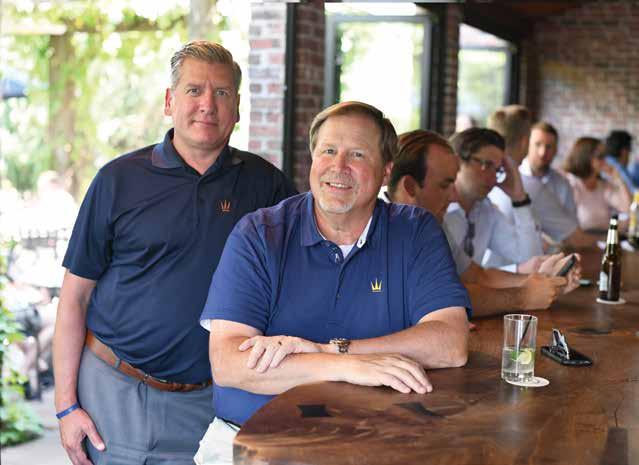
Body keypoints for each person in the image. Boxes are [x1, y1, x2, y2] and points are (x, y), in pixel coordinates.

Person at [53, 41, 295, 465]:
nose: (207, 105)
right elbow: (75, 296)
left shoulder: (267, 187)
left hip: (210, 402)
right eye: (194, 90)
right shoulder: (117, 180)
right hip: (112, 392)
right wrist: (66, 406)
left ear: (237, 108)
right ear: (170, 101)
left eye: (222, 93)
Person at [195, 102, 471, 464]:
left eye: (357, 154)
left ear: (386, 170)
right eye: (328, 151)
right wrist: (347, 366)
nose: (338, 167)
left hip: (376, 444)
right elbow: (229, 363)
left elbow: (451, 343)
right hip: (252, 445)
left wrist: (328, 350)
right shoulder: (260, 234)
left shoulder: (415, 230)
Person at [384, 129, 577, 317]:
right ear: (410, 187)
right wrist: (524, 296)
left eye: (497, 169)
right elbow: (445, 297)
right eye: (444, 185)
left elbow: (477, 276)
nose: (453, 196)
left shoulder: (428, 222)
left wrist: (543, 283)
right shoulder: (383, 229)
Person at [443, 128, 542, 272]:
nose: (493, 178)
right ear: (457, 162)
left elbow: (530, 258)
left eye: (497, 170)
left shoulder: (485, 209)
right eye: (487, 165)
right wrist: (517, 270)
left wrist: (519, 199)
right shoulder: (438, 211)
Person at [485, 105, 543, 268]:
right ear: (525, 142)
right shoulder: (532, 186)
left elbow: (530, 257)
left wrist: (520, 200)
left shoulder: (484, 206)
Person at [520, 122, 596, 248]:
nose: (542, 152)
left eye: (549, 147)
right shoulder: (515, 178)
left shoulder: (563, 184)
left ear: (556, 150)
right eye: (537, 144)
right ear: (527, 145)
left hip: (557, 251)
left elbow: (572, 228)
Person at [563, 137, 632, 231]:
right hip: (583, 238)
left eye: (605, 156)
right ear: (585, 157)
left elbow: (628, 209)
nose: (605, 161)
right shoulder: (571, 183)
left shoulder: (603, 185)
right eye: (600, 156)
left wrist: (619, 179)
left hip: (604, 236)